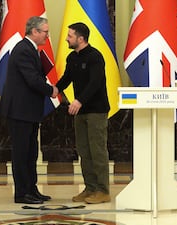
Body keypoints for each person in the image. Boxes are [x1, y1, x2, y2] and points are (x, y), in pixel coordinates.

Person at [0, 16, 58, 204]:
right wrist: (51, 90)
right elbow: (32, 79)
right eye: (45, 32)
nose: (47, 36)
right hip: (20, 111)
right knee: (21, 153)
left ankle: (32, 189)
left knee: (31, 152)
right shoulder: (23, 50)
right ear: (34, 31)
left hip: (28, 111)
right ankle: (22, 193)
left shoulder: (31, 49)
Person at [55, 22, 111, 204]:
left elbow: (95, 83)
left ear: (81, 38)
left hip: (96, 110)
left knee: (97, 151)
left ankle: (103, 190)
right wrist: (54, 89)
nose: (66, 39)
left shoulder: (95, 57)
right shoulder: (72, 57)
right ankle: (90, 188)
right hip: (80, 112)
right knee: (84, 151)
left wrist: (79, 100)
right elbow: (66, 78)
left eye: (70, 36)